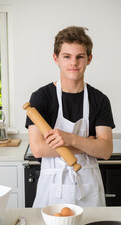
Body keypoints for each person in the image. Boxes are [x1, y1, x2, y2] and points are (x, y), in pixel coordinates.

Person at [25, 26, 115, 208]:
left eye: (79, 56)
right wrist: (86, 145)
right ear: (56, 58)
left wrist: (70, 138)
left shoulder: (99, 99)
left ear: (89, 59)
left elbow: (105, 150)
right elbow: (39, 149)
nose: (73, 62)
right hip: (51, 191)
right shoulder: (41, 97)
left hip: (89, 191)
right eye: (67, 56)